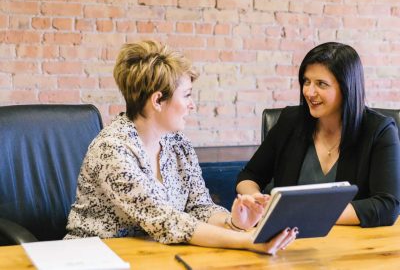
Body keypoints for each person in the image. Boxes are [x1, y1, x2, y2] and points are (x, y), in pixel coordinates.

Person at [65, 40, 297, 255]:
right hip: (94, 257)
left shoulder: (178, 144)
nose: (192, 105)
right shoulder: (112, 150)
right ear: (157, 101)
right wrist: (248, 241)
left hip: (155, 256)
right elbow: (166, 221)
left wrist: (234, 223)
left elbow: (199, 207)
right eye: (186, 95)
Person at [236, 42, 400, 228]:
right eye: (306, 81)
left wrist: (304, 213)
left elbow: (387, 205)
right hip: (287, 241)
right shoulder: (290, 121)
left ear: (347, 88)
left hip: (352, 244)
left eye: (321, 84)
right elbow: (249, 175)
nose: (309, 92)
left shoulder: (379, 130)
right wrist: (254, 199)